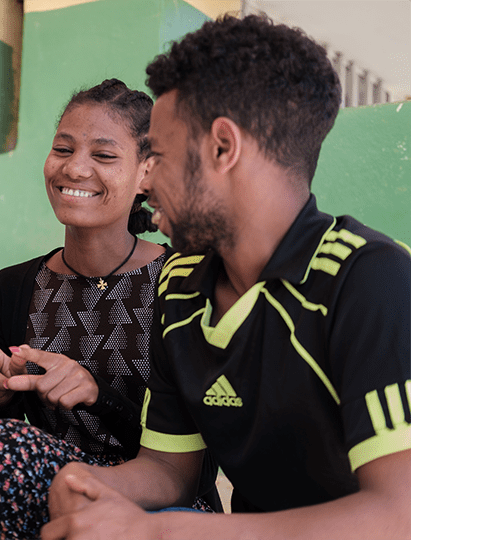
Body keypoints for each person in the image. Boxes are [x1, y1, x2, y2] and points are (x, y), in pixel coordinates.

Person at [42, 14, 411, 540]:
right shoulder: (180, 285)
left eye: (159, 159)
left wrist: (157, 533)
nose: (144, 186)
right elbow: (169, 470)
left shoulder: (371, 278)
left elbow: (403, 516)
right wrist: (94, 484)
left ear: (222, 147)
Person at [0, 79, 221, 539]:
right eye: (63, 149)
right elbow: (3, 435)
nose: (75, 168)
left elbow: (188, 467)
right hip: (48, 489)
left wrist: (97, 395)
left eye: (104, 155)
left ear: (147, 172)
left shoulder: (180, 282)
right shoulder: (14, 286)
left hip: (156, 506)